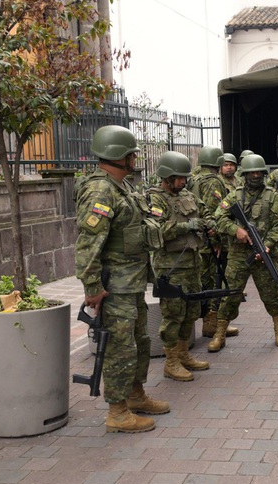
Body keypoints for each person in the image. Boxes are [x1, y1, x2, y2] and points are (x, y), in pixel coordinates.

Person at [75, 125, 170, 433]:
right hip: (114, 287)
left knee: (140, 341)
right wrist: (93, 287)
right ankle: (117, 412)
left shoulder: (123, 187)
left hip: (132, 283)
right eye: (131, 154)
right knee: (120, 348)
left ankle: (135, 394)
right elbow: (88, 243)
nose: (134, 159)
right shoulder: (100, 191)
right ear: (120, 156)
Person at [211, 153, 278, 351]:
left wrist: (268, 244)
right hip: (238, 255)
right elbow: (218, 217)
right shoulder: (234, 195)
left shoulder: (272, 196)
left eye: (259, 173)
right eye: (251, 173)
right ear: (244, 174)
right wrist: (235, 230)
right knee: (230, 294)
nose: (255, 176)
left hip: (264, 253)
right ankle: (219, 333)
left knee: (270, 293)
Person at [148, 151, 213, 381]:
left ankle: (184, 354)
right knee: (173, 315)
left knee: (191, 311)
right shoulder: (155, 199)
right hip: (171, 267)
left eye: (185, 177)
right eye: (179, 178)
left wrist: (209, 223)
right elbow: (156, 231)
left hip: (193, 264)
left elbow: (204, 212)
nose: (183, 181)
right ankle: (171, 361)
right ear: (166, 177)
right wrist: (186, 226)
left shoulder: (188, 195)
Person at [191, 147, 239, 339]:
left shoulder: (194, 179)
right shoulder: (212, 181)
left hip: (198, 240)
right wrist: (217, 241)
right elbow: (213, 214)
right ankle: (211, 323)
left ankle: (209, 321)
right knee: (214, 279)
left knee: (205, 280)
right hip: (209, 243)